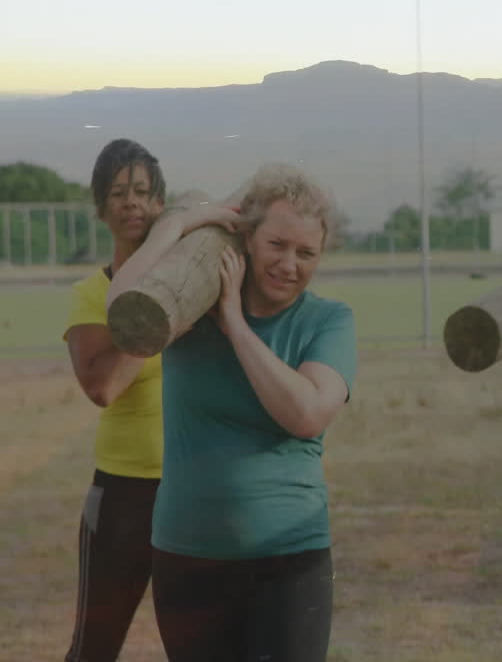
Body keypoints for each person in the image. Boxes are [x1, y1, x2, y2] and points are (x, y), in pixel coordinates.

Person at [106, 163, 356, 662]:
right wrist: (178, 226)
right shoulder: (188, 307)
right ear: (246, 239)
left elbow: (306, 413)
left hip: (289, 561)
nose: (289, 264)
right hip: (185, 555)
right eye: (277, 245)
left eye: (306, 253)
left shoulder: (329, 321)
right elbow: (123, 310)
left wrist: (236, 326)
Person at [63, 139, 169, 662]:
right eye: (119, 193)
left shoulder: (191, 286)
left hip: (193, 494)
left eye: (144, 192)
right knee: (94, 650)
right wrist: (162, 316)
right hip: (124, 494)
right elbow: (102, 386)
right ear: (102, 208)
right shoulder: (90, 293)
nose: (132, 203)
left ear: (160, 205)